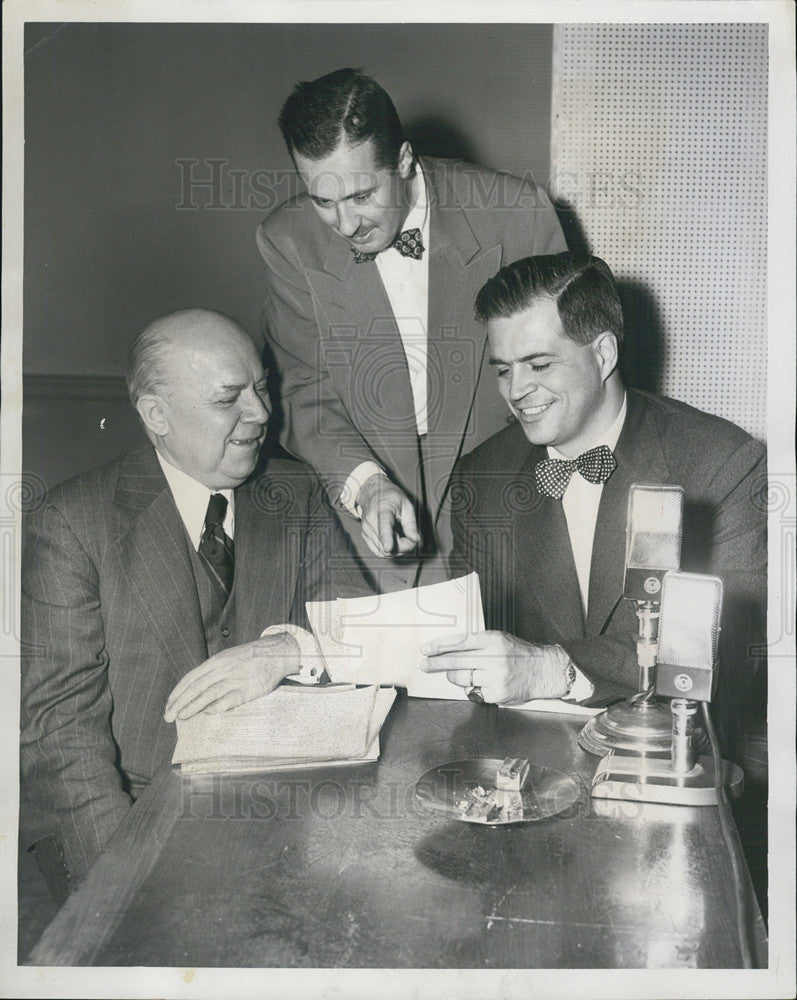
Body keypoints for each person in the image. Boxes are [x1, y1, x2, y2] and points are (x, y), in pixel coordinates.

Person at [20, 309, 368, 893]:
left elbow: (362, 629)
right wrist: (128, 879)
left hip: (285, 810)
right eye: (228, 398)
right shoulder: (72, 523)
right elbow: (61, 736)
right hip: (127, 814)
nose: (259, 414)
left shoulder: (295, 491)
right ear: (157, 414)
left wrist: (287, 650)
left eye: (261, 388)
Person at [421, 252, 766, 751]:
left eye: (539, 364)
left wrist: (556, 670)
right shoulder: (482, 477)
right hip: (528, 762)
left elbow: (731, 653)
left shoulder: (721, 464)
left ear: (603, 354)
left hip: (672, 759)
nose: (517, 391)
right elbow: (472, 644)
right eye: (502, 369)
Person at [256, 68, 567, 589]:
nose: (344, 225)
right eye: (321, 201)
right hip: (361, 536)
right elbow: (302, 390)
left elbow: (558, 378)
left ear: (403, 160)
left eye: (360, 196)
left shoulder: (517, 216)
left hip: (505, 514)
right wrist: (368, 484)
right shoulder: (287, 241)